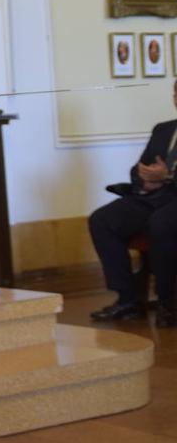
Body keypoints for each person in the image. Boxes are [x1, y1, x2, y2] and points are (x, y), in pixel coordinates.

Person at [89, 78, 177, 327]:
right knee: (103, 220)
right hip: (155, 196)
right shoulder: (163, 129)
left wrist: (168, 176)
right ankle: (127, 300)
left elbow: (165, 173)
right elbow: (139, 168)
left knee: (161, 223)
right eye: (176, 94)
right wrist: (144, 181)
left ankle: (166, 302)